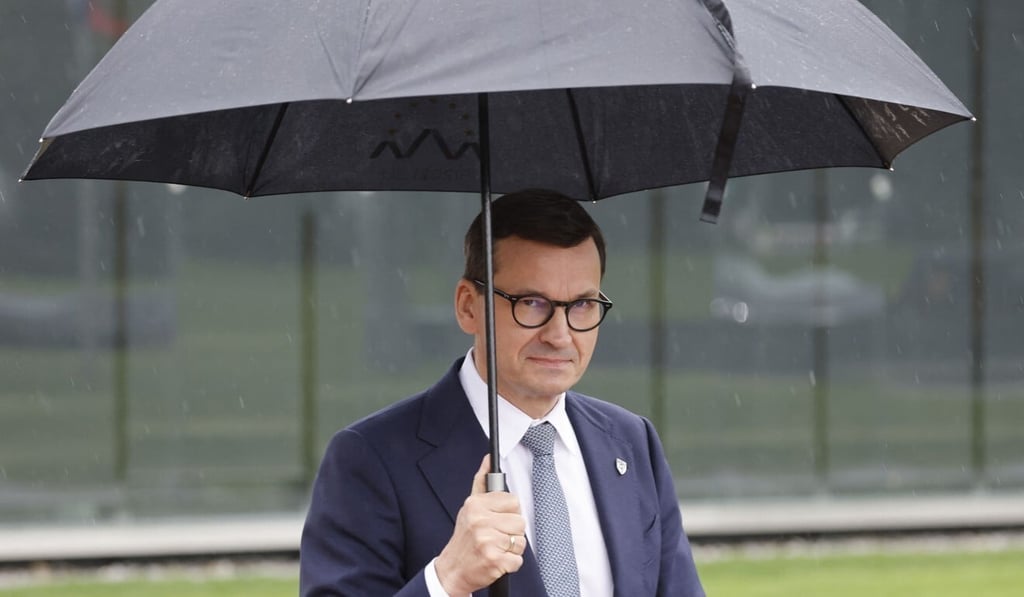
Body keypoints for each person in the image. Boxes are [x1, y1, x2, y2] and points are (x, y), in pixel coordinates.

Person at [300, 189, 705, 597]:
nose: (560, 335)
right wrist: (446, 580)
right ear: (467, 306)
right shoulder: (371, 458)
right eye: (531, 302)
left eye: (582, 305)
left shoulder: (632, 442)